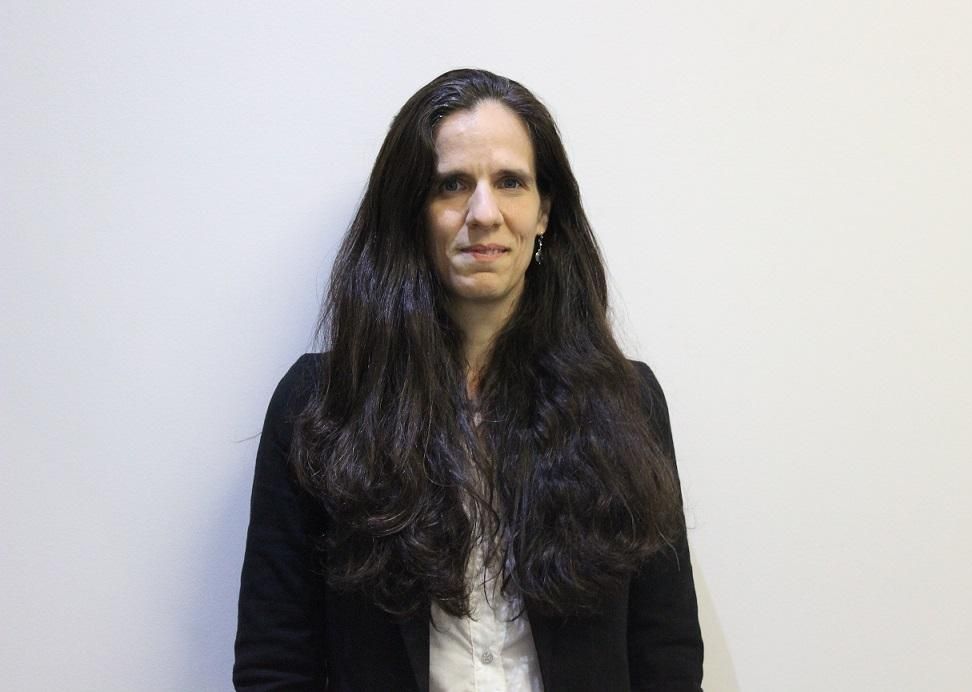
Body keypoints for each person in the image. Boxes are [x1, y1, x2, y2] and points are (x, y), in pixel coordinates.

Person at [234, 68, 704, 691]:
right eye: (452, 184)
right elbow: (276, 661)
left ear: (544, 212)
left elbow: (666, 653)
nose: (484, 214)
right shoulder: (320, 406)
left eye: (510, 182)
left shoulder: (627, 403)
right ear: (412, 211)